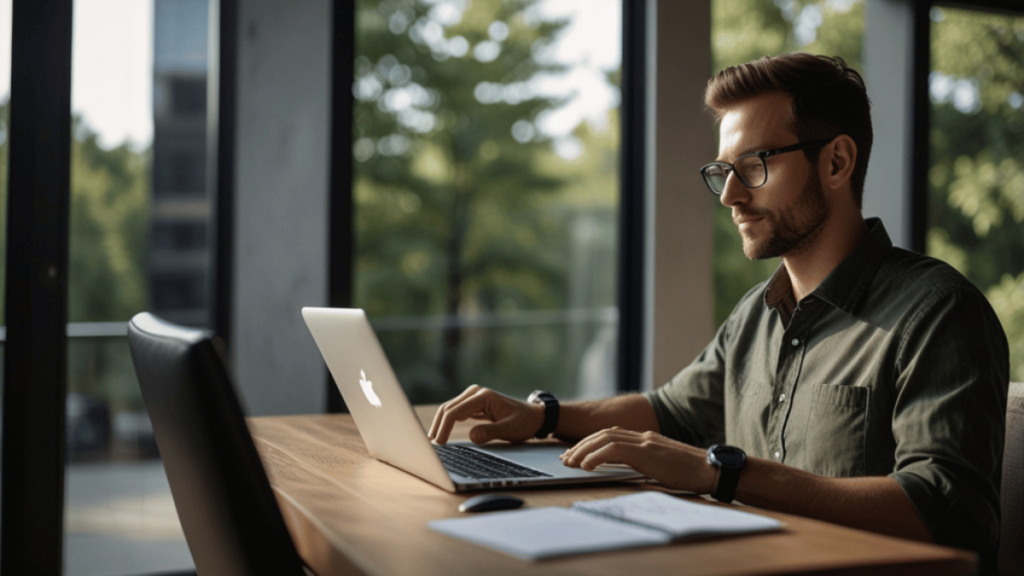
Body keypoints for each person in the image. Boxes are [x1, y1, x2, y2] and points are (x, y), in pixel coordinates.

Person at [428, 53, 1009, 572]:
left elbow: (943, 511)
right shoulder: (756, 313)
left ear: (836, 162)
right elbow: (671, 412)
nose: (730, 196)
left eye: (754, 164)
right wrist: (544, 415)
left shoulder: (938, 312)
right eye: (723, 172)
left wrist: (720, 473)